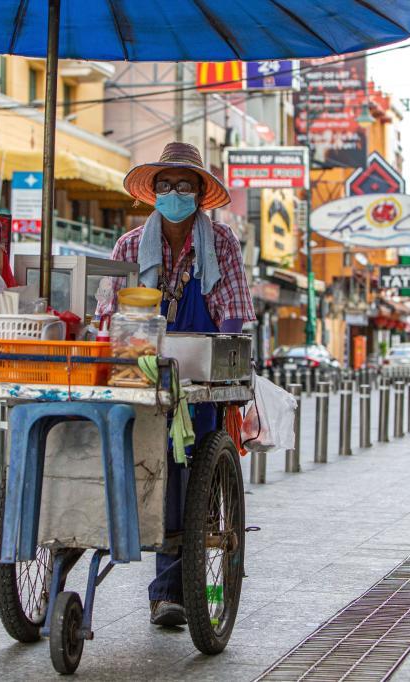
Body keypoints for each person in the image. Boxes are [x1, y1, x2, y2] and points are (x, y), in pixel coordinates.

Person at [99, 142, 255, 626]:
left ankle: (169, 590)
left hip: (199, 374)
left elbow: (235, 312)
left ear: (200, 193)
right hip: (140, 367)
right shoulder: (128, 245)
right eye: (164, 186)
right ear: (153, 193)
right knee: (141, 461)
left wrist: (225, 358)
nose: (173, 194)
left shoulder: (222, 244)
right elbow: (107, 312)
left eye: (183, 186)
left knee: (184, 474)